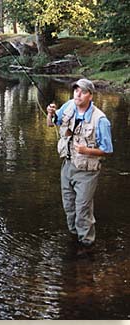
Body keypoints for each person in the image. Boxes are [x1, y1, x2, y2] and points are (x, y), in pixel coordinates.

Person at [46, 78, 113, 252]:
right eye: (76, 90)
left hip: (87, 171)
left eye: (83, 91)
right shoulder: (68, 106)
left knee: (82, 208)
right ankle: (74, 240)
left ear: (90, 95)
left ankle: (87, 246)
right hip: (67, 166)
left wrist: (85, 150)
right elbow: (51, 123)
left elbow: (107, 150)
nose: (78, 94)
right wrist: (50, 113)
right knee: (69, 206)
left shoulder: (101, 120)